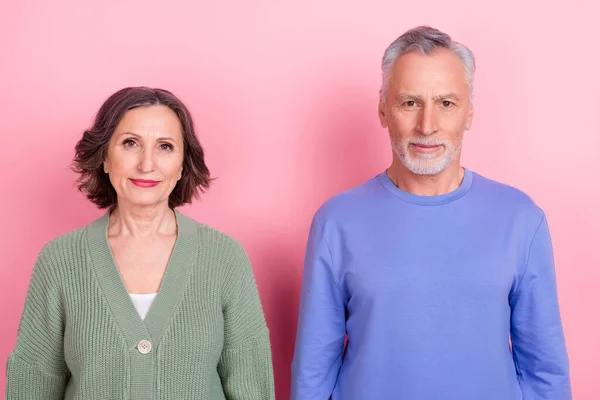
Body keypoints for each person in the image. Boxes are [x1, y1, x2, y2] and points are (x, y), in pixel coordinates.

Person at [291, 26, 571, 399]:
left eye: (446, 103)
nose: (427, 126)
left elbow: (545, 369)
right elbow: (313, 370)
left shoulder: (521, 219)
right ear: (382, 109)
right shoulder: (335, 222)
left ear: (469, 112)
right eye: (410, 102)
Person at [6, 87, 275, 399]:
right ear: (104, 158)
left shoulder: (224, 258)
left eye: (165, 146)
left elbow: (251, 386)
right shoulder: (60, 260)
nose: (147, 164)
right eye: (130, 143)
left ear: (183, 164)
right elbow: (32, 383)